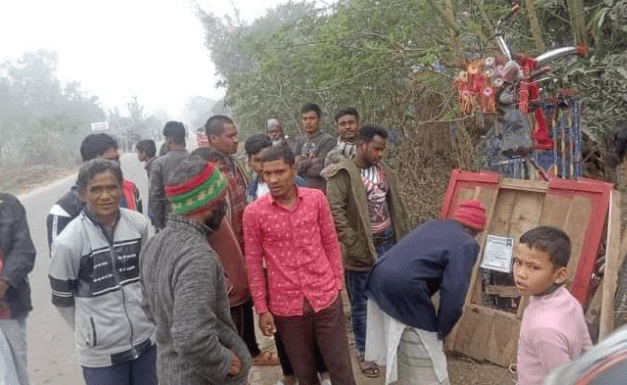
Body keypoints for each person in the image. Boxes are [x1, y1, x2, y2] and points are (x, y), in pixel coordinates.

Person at [244, 145, 356, 385]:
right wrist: (262, 309)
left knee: (341, 370)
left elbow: (330, 242)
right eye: (267, 173)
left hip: (325, 299)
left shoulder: (316, 199)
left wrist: (336, 283)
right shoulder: (254, 213)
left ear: (293, 169)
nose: (273, 179)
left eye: (280, 172)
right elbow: (253, 263)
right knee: (305, 375)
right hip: (287, 308)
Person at [140, 157, 251, 384]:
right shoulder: (197, 257)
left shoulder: (154, 244)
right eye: (221, 199)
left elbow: (148, 308)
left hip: (169, 371)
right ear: (207, 204)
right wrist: (224, 361)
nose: (225, 205)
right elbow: (191, 337)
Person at [49, 159, 156, 385]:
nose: (105, 196)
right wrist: (90, 332)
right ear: (82, 194)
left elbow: (150, 275)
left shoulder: (139, 225)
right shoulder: (68, 243)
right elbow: (62, 299)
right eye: (96, 189)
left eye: (111, 187)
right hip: (101, 356)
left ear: (121, 187)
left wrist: (149, 318)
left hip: (147, 343)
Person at [364, 199, 487, 385]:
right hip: (404, 286)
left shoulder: (434, 224)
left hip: (379, 276)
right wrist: (441, 331)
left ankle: (402, 378)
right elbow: (453, 297)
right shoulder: (466, 243)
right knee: (427, 346)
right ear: (477, 231)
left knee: (399, 334)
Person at [325, 124, 409, 378]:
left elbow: (396, 206)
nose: (380, 154)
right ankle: (365, 352)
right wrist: (354, 244)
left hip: (389, 243)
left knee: (388, 297)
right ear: (362, 145)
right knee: (361, 305)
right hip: (361, 249)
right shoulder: (343, 174)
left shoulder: (384, 171)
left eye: (383, 149)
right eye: (376, 148)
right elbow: (335, 212)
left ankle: (387, 346)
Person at [205, 115, 277, 366]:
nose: (236, 139)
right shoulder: (208, 168)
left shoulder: (232, 162)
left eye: (236, 134)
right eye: (230, 136)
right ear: (213, 139)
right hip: (223, 247)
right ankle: (236, 359)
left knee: (246, 298)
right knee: (232, 303)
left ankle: (252, 351)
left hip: (243, 241)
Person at [513, 226, 592, 385]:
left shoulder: (544, 329)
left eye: (533, 267)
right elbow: (588, 353)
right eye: (518, 262)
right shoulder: (568, 301)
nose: (521, 273)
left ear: (560, 275)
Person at [46, 133, 142, 250]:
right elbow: (59, 259)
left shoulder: (130, 191)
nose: (115, 165)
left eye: (117, 159)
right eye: (108, 161)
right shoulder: (64, 210)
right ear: (88, 164)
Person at [0, 192, 36, 385]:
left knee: (16, 369)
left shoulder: (9, 205)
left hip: (9, 307)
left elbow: (25, 250)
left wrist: (4, 282)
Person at [149, 121, 189, 230]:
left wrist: (159, 225)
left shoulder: (159, 164)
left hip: (170, 220)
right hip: (194, 219)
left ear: (169, 141)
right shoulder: (197, 160)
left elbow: (155, 196)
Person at [293, 103, 336, 191]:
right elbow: (293, 167)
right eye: (305, 119)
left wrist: (301, 163)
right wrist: (311, 161)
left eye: (312, 118)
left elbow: (319, 170)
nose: (308, 122)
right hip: (299, 190)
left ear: (319, 121)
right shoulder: (299, 141)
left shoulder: (327, 140)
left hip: (320, 189)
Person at [322, 108, 360, 172]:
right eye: (343, 124)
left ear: (358, 123)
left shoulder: (368, 149)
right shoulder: (332, 155)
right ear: (337, 127)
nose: (347, 127)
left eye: (351, 123)